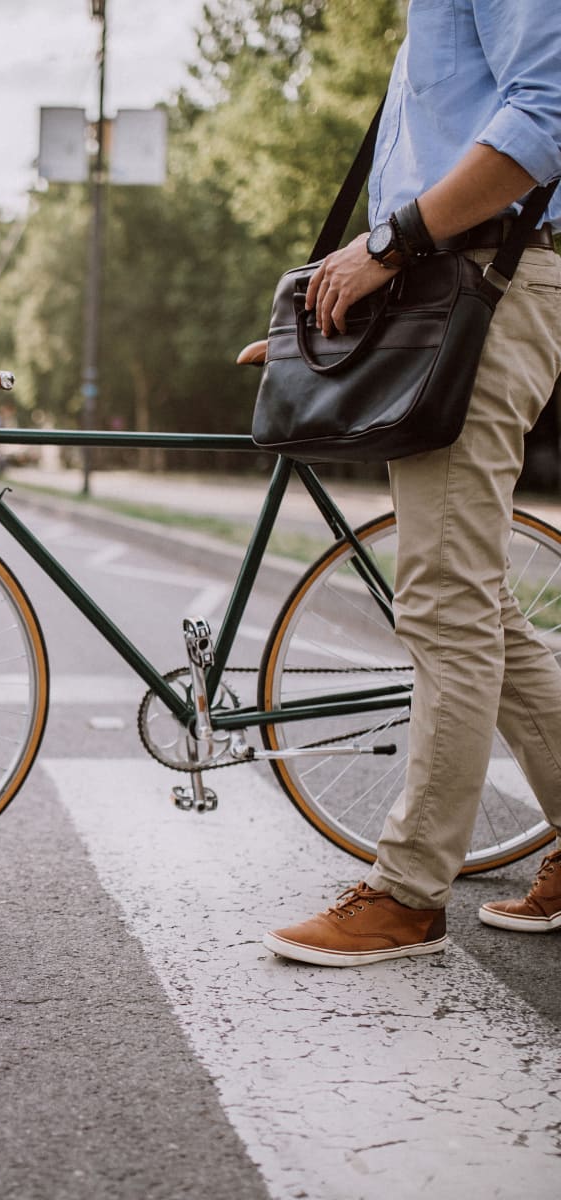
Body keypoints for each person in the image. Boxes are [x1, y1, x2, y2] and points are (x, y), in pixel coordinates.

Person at [263, 0, 561, 967]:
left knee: (442, 600)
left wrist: (383, 247)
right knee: (477, 605)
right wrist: (323, 320)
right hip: (450, 288)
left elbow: (547, 115)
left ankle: (409, 892)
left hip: (488, 286)